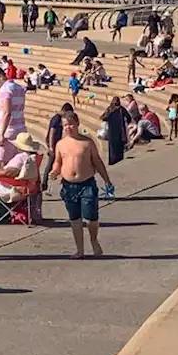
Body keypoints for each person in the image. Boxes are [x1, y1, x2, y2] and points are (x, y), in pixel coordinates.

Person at [49, 111, 112, 259]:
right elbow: (58, 161)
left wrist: (107, 180)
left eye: (71, 124)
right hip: (68, 185)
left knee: (91, 218)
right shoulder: (60, 144)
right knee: (75, 218)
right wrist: (54, 171)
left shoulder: (87, 142)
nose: (68, 128)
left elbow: (97, 161)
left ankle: (93, 239)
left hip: (87, 183)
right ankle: (80, 249)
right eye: (65, 125)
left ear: (77, 124)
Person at [0, 65, 27, 168]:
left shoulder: (5, 90)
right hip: (20, 128)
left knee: (2, 163)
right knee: (17, 163)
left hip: (8, 131)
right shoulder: (18, 87)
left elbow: (7, 112)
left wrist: (1, 133)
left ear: (0, 76)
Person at [100, 97, 130, 166]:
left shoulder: (109, 109)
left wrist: (109, 120)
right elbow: (128, 117)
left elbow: (103, 117)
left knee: (112, 146)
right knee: (119, 144)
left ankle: (112, 160)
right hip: (119, 129)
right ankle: (118, 159)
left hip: (112, 130)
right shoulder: (121, 109)